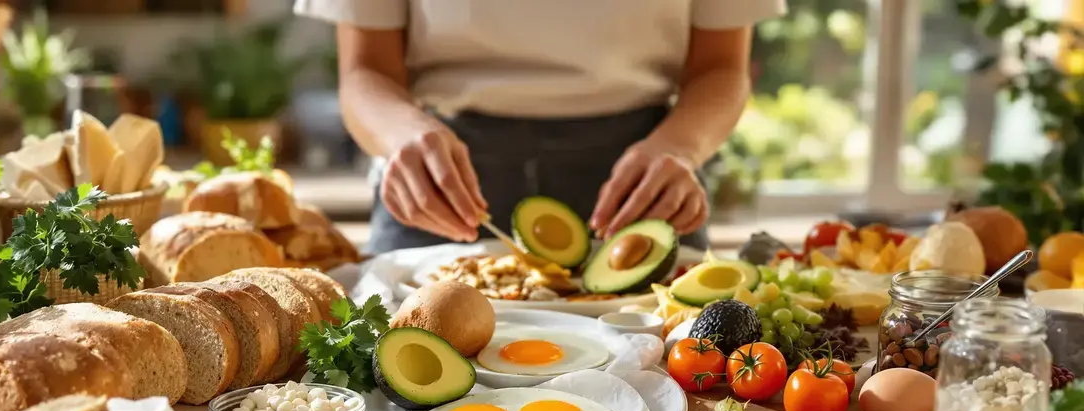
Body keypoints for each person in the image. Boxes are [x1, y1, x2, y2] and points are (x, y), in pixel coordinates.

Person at [294, 0, 786, 254]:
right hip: (439, 175)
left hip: (641, 176)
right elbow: (365, 74)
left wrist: (680, 148)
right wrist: (400, 133)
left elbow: (721, 70)